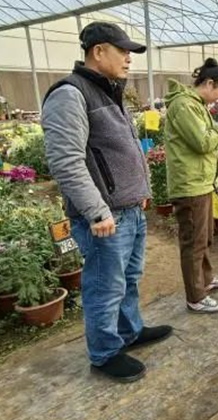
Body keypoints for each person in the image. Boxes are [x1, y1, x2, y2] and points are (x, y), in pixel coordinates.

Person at [41, 21, 172, 383]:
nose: (129, 58)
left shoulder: (109, 90)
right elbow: (66, 161)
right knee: (104, 285)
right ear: (98, 51)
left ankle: (129, 331)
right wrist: (97, 211)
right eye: (123, 51)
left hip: (128, 209)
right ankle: (104, 353)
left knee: (128, 278)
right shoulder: (70, 94)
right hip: (104, 216)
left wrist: (139, 193)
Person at [164, 59, 218, 314]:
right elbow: (203, 143)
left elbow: (210, 139)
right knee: (194, 242)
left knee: (204, 236)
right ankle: (196, 296)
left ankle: (206, 280)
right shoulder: (184, 105)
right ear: (209, 83)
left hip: (200, 182)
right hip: (189, 185)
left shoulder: (196, 104)